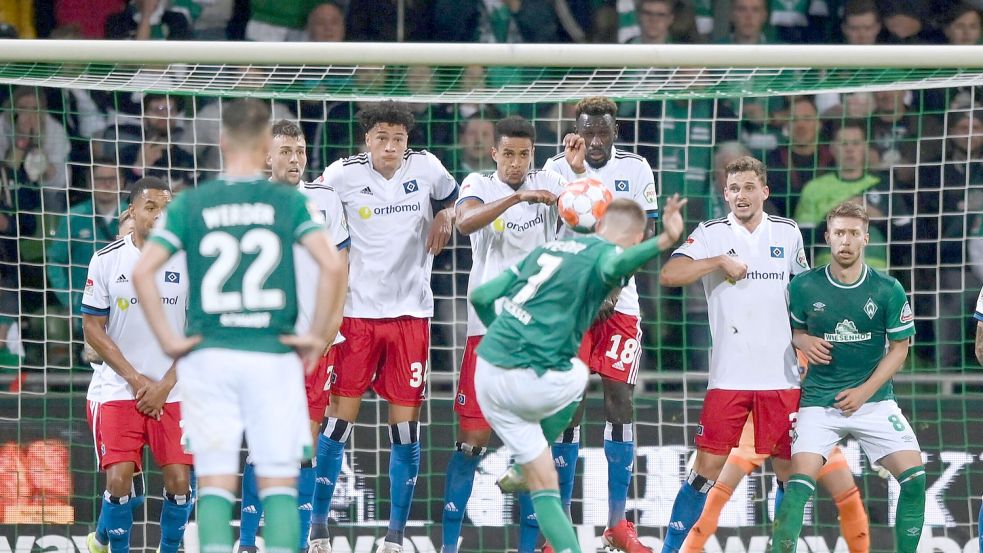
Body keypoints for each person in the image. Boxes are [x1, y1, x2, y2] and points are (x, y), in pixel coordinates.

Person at [133, 98, 347, 553]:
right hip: (271, 356)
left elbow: (142, 272)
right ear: (264, 147)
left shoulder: (195, 203)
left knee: (213, 484)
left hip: (212, 359)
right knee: (280, 479)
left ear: (224, 142)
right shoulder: (288, 203)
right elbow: (333, 266)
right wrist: (316, 335)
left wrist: (172, 340)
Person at [474, 196, 685, 553]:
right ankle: (536, 459)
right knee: (575, 374)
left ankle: (557, 528)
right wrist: (665, 239)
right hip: (530, 378)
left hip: (488, 371)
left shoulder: (547, 249)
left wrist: (502, 335)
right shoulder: (603, 254)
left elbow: (481, 296)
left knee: (544, 480)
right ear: (633, 239)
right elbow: (613, 266)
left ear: (598, 222)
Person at [309, 100, 458, 553]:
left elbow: (455, 198)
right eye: (381, 139)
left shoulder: (428, 167)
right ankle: (318, 528)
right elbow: (311, 206)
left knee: (406, 429)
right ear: (366, 140)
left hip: (412, 314)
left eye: (398, 139)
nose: (390, 147)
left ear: (407, 141)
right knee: (338, 424)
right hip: (355, 316)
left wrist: (445, 214)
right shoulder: (341, 175)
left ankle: (395, 536)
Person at [657, 155, 808, 553]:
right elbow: (670, 275)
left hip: (782, 376)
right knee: (704, 471)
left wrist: (806, 341)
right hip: (729, 377)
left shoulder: (788, 233)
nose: (741, 196)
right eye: (734, 188)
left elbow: (805, 298)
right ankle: (670, 549)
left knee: (789, 475)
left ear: (765, 192)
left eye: (749, 188)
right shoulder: (710, 233)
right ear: (725, 194)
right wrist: (718, 261)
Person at [540, 95, 665, 553]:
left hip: (620, 306)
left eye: (602, 132)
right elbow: (550, 236)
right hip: (572, 306)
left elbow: (645, 234)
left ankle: (617, 524)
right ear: (576, 129)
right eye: (587, 131)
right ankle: (561, 531)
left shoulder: (636, 170)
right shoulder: (555, 168)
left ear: (615, 131)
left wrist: (611, 288)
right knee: (569, 404)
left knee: (618, 399)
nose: (594, 141)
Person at [438, 115, 566, 553]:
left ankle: (530, 548)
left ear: (533, 154)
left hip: (536, 335)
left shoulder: (550, 180)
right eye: (508, 153)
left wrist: (579, 171)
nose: (515, 162)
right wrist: (518, 199)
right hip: (487, 332)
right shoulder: (479, 183)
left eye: (523, 154)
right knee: (472, 442)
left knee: (534, 450)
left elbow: (585, 202)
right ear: (494, 153)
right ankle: (449, 545)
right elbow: (466, 223)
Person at [772, 202, 924, 553]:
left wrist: (864, 391)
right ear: (827, 237)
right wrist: (802, 339)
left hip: (874, 400)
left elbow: (900, 348)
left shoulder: (887, 289)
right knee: (796, 486)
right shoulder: (804, 287)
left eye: (853, 233)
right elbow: (792, 332)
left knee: (915, 479)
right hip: (819, 402)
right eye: (839, 232)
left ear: (865, 239)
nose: (845, 240)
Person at [237, 119, 350, 553]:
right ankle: (247, 542)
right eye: (286, 151)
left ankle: (298, 543)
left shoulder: (324, 201)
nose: (295, 158)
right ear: (267, 156)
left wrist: (330, 328)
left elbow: (341, 267)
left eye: (300, 150)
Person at [81, 176, 193, 553]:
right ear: (132, 211)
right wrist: (134, 379)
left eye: (166, 207)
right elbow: (92, 328)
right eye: (150, 207)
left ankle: (170, 549)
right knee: (119, 483)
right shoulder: (107, 259)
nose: (160, 215)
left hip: (174, 390)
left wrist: (163, 384)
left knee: (179, 483)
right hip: (118, 389)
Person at [680, 418, 869, 553]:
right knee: (715, 494)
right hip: (756, 421)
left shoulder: (816, 360)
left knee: (848, 496)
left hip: (803, 422)